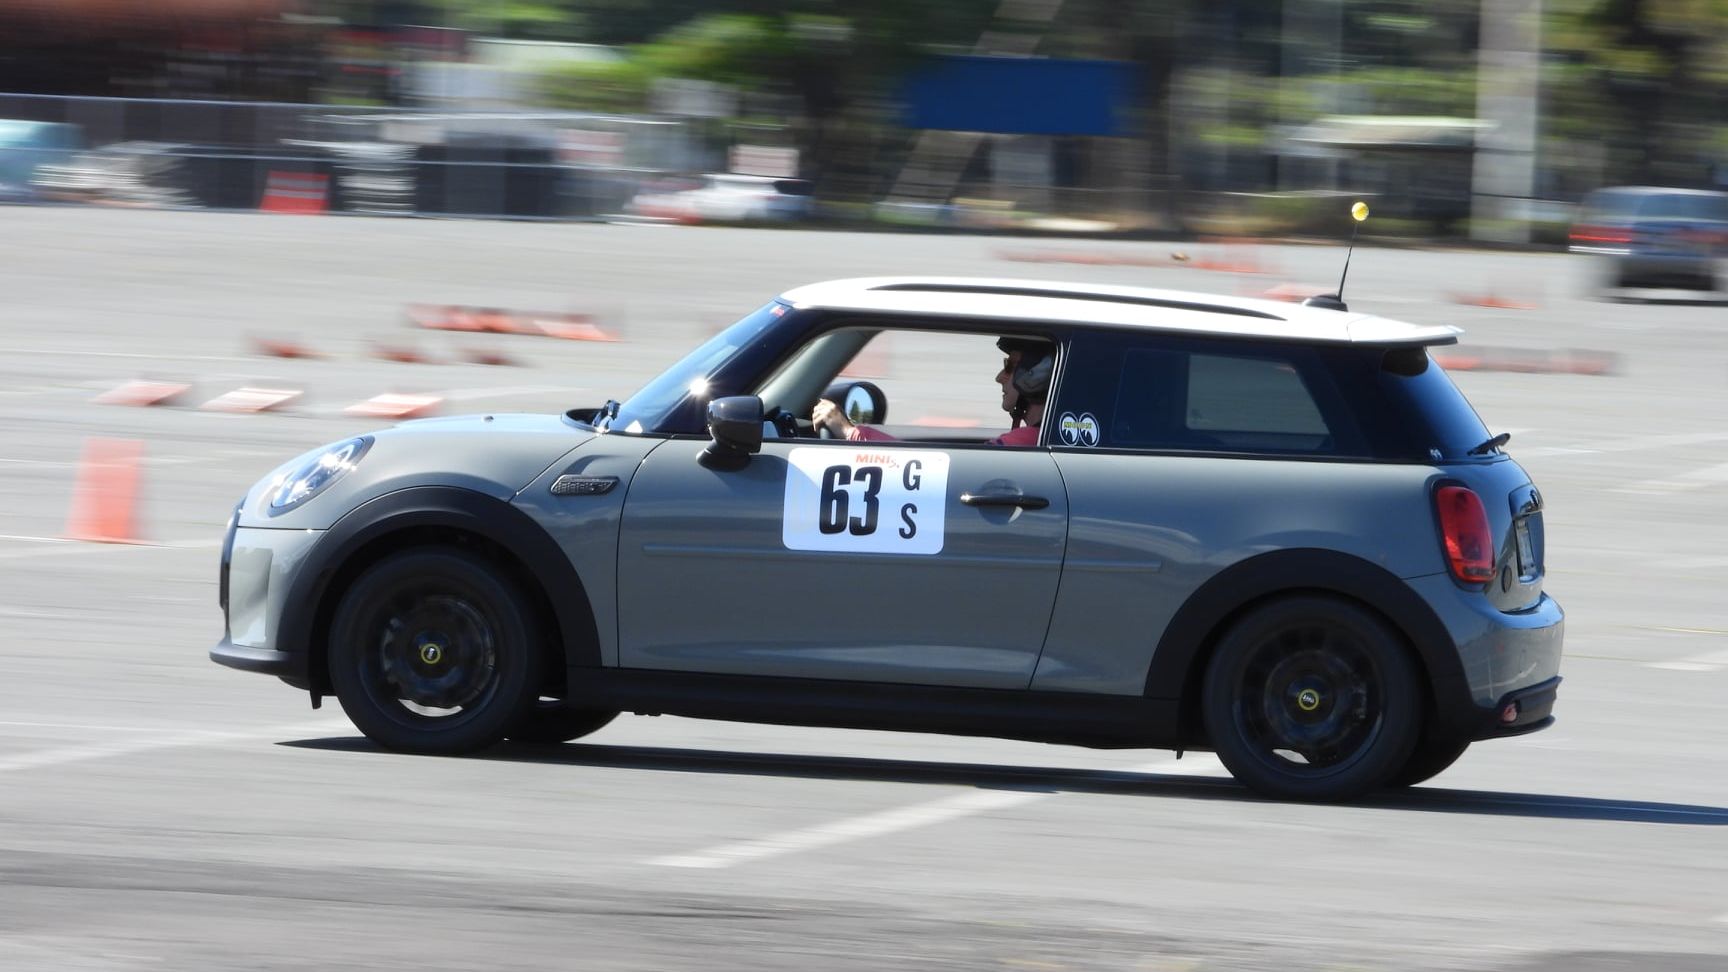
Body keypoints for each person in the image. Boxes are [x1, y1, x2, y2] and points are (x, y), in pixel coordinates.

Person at [812, 337, 1053, 446]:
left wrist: (850, 432)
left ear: (1036, 376)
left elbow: (949, 470)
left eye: (1010, 367)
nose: (999, 377)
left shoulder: (1026, 441)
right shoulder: (1038, 440)